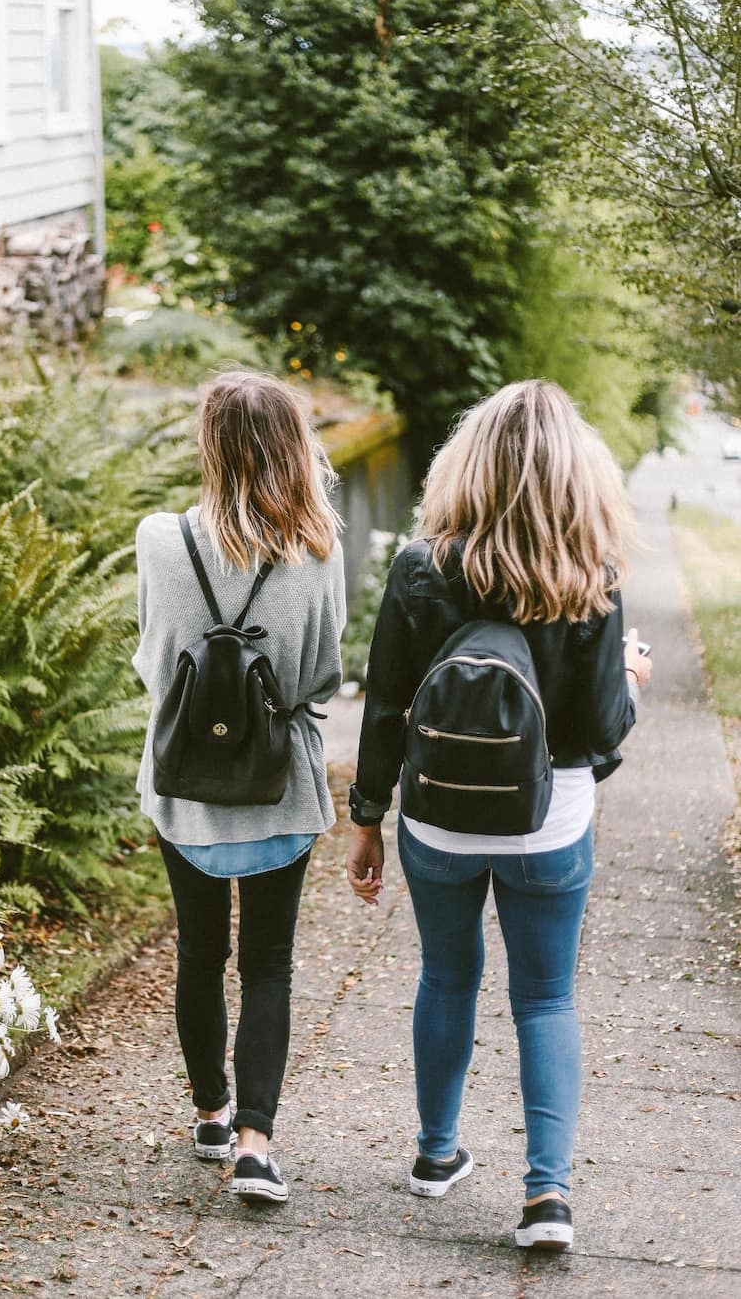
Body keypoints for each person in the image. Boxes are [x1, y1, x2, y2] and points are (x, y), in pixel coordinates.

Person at [345, 380, 651, 1252]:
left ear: (466, 462)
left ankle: (436, 1156)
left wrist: (367, 817)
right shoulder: (589, 572)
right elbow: (597, 733)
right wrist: (628, 677)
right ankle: (546, 1197)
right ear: (576, 473)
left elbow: (386, 707)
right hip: (549, 823)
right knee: (546, 997)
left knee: (447, 978)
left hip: (437, 822)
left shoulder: (420, 565)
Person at [134, 370, 345, 1205]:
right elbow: (324, 676)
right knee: (268, 966)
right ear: (294, 447)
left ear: (210, 445)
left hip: (184, 791)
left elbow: (152, 663)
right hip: (278, 792)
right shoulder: (318, 549)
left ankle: (212, 1113)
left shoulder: (160, 539)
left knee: (198, 951)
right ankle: (257, 1146)